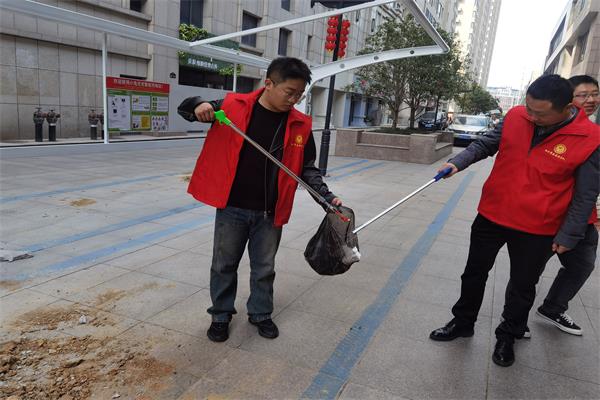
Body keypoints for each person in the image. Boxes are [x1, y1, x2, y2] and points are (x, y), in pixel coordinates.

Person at [428, 74, 599, 367]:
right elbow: (485, 144)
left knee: (522, 285)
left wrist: (569, 235)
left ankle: (509, 335)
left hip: (538, 226)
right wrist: (457, 162)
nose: (530, 116)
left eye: (539, 113)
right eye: (528, 108)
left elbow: (586, 194)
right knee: (474, 273)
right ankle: (463, 322)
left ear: (567, 107)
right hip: (492, 214)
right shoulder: (517, 116)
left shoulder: (590, 138)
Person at [178, 57, 342, 342]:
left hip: (270, 211)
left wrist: (327, 198)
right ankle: (220, 315)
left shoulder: (300, 125)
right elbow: (188, 108)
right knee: (223, 264)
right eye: (289, 92)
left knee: (264, 268)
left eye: (299, 94)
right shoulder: (233, 106)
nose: (294, 99)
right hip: (232, 207)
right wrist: (198, 105)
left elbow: (307, 169)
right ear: (269, 83)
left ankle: (261, 313)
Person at [535, 75, 600, 335]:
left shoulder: (594, 134)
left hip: (582, 218)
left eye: (595, 94)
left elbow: (589, 187)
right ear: (566, 101)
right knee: (529, 269)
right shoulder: (548, 127)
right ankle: (514, 319)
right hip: (549, 214)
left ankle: (553, 307)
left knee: (582, 265)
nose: (591, 100)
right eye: (583, 95)